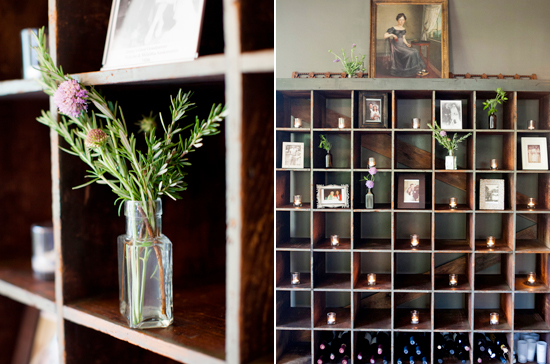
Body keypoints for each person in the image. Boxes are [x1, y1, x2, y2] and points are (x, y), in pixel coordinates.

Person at [384, 13, 427, 77]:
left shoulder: (404, 29)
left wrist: (407, 44)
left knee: (415, 51)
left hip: (403, 45)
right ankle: (414, 70)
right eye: (400, 20)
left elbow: (403, 38)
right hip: (397, 47)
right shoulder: (393, 28)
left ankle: (419, 69)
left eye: (403, 20)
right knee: (410, 53)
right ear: (397, 20)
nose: (401, 22)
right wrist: (392, 34)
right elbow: (385, 36)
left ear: (404, 21)